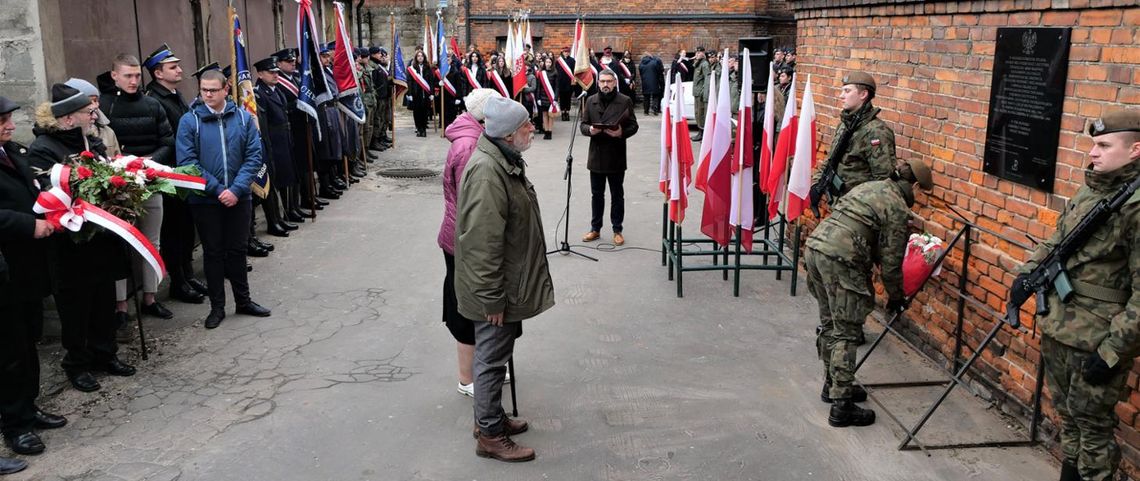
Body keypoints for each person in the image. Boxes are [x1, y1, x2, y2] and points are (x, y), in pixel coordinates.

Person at [1014, 111, 1140, 481]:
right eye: (1092, 145)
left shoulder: (1134, 205)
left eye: (1103, 145)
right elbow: (1058, 241)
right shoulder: (1093, 189)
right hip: (1061, 324)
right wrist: (1026, 275)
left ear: (1136, 150)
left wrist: (1114, 350)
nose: (1093, 153)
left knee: (1093, 429)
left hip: (1097, 339)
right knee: (1068, 416)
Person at [454, 96, 554, 462]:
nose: (533, 128)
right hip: (495, 289)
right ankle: (490, 436)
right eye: (527, 125)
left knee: (497, 355)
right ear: (509, 134)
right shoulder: (487, 170)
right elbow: (481, 244)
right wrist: (492, 299)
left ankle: (491, 418)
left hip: (505, 281)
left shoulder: (501, 159)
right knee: (492, 359)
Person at [803, 159, 933, 428]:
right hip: (841, 258)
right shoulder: (897, 207)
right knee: (846, 332)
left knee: (830, 325)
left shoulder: (868, 187)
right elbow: (891, 262)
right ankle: (842, 406)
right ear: (915, 186)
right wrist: (896, 297)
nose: (919, 198)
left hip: (816, 248)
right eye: (921, 193)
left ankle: (835, 385)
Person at [28, 84, 137, 393]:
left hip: (99, 239)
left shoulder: (90, 139)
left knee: (102, 299)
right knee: (76, 308)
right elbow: (50, 194)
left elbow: (105, 173)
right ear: (66, 119)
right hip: (69, 245)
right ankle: (77, 363)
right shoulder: (43, 148)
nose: (94, 116)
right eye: (87, 112)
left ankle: (106, 354)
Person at [176, 70, 272, 329]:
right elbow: (188, 163)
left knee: (238, 250)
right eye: (203, 89)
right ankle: (217, 307)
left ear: (226, 89)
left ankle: (244, 301)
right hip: (206, 201)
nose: (207, 94)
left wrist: (237, 189)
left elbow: (254, 156)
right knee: (213, 252)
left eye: (213, 90)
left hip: (239, 198)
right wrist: (218, 189)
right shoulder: (190, 121)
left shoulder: (242, 118)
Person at [0, 96, 67, 462]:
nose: (10, 125)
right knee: (10, 351)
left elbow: (32, 190)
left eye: (9, 119)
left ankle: (30, 406)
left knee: (29, 340)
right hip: (6, 270)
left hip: (27, 267)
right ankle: (15, 424)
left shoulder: (13, 151)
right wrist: (30, 224)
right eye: (3, 121)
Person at [97, 53, 175, 322]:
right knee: (120, 244)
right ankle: (120, 304)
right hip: (117, 187)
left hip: (150, 181)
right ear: (114, 76)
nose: (133, 81)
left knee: (152, 240)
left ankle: (150, 297)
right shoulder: (104, 107)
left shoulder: (153, 105)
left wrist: (151, 161)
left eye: (136, 76)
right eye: (127, 75)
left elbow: (168, 140)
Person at [140, 45, 209, 306]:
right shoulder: (155, 99)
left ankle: (188, 275)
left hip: (183, 171)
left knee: (184, 227)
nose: (180, 70)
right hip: (168, 174)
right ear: (158, 73)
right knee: (172, 231)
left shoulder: (174, 94)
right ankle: (178, 281)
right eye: (173, 67)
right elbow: (167, 139)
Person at [439, 88, 495, 398]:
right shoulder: (469, 145)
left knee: (477, 304)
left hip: (463, 237)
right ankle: (467, 378)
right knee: (466, 307)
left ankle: (485, 366)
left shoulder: (473, 136)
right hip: (463, 240)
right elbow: (470, 202)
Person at [813, 72, 897, 201]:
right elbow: (831, 159)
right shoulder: (845, 124)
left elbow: (883, 182)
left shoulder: (876, 132)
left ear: (863, 94)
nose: (841, 96)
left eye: (847, 91)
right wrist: (816, 183)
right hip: (840, 203)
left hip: (858, 209)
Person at [579, 69, 639, 247]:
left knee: (617, 195)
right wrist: (590, 130)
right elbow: (583, 124)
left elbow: (634, 125)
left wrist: (621, 133)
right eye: (602, 81)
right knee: (596, 195)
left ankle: (617, 229)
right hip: (596, 155)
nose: (605, 85)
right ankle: (595, 228)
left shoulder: (624, 101)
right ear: (598, 83)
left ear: (614, 83)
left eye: (609, 82)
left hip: (616, 154)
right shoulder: (590, 101)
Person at [253, 56, 295, 240]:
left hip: (283, 138)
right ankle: (273, 221)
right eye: (271, 72)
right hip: (272, 142)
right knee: (270, 183)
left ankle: (283, 215)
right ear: (260, 74)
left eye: (276, 72)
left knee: (284, 177)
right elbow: (263, 123)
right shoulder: (259, 94)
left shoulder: (276, 90)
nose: (275, 75)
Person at [406, 50, 434, 138]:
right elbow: (409, 81)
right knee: (417, 112)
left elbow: (431, 81)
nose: (420, 57)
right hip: (416, 93)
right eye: (418, 56)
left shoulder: (428, 67)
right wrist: (410, 93)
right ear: (416, 58)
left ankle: (424, 129)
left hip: (426, 93)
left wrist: (431, 93)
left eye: (421, 56)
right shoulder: (412, 68)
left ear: (424, 57)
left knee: (425, 112)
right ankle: (419, 129)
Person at [534, 57, 558, 140]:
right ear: (544, 63)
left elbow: (557, 87)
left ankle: (550, 132)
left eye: (549, 62)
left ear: (552, 63)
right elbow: (538, 87)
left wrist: (555, 99)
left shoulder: (555, 72)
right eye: (546, 62)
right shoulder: (541, 73)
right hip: (542, 97)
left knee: (551, 115)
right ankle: (546, 131)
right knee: (544, 114)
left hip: (551, 97)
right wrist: (538, 98)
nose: (548, 63)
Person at [691, 48, 709, 141]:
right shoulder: (698, 64)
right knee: (697, 113)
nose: (697, 54)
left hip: (700, 93)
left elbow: (707, 79)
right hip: (696, 92)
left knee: (701, 113)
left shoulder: (704, 64)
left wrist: (703, 91)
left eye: (699, 52)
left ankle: (702, 132)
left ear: (703, 53)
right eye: (696, 52)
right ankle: (700, 131)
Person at [555, 47, 576, 120]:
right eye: (565, 52)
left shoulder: (572, 60)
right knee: (562, 98)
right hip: (561, 82)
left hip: (569, 82)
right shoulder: (558, 61)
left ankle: (567, 112)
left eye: (567, 52)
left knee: (568, 98)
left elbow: (574, 71)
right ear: (562, 52)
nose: (566, 53)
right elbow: (556, 71)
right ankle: (563, 112)